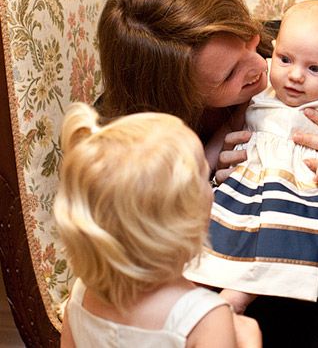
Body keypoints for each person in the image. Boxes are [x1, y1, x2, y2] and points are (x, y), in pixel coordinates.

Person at [96, 0, 318, 347]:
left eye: (249, 39)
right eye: (229, 75)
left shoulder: (308, 50)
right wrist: (204, 180)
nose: (259, 65)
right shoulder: (134, 146)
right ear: (181, 98)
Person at [184, 0, 318, 315]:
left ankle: (236, 299)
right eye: (285, 59)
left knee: (276, 225)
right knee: (203, 229)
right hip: (246, 191)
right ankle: (190, 288)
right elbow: (227, 130)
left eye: (314, 68)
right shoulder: (261, 91)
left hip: (300, 196)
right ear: (274, 50)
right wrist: (198, 171)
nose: (295, 76)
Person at [54, 102, 261, 348]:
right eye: (204, 178)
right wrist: (250, 340)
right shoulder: (204, 319)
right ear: (185, 218)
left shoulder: (81, 294)